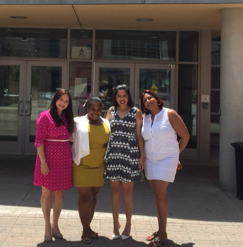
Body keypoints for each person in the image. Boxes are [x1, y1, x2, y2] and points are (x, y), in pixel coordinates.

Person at [140, 90, 190, 247]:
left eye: (151, 98)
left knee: (160, 195)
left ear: (156, 98)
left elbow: (185, 136)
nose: (149, 101)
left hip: (167, 160)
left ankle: (162, 235)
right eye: (145, 100)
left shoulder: (170, 114)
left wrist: (176, 155)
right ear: (144, 105)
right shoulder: (145, 118)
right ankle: (160, 229)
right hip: (150, 161)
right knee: (157, 195)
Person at [104, 84, 144, 241]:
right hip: (113, 155)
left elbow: (139, 136)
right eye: (119, 95)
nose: (122, 98)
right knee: (114, 190)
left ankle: (128, 224)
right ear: (115, 97)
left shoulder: (136, 112)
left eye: (125, 96)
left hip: (130, 155)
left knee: (127, 190)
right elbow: (105, 132)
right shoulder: (111, 111)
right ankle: (115, 225)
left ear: (129, 97)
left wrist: (142, 156)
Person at [33, 89, 74, 242]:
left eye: (66, 101)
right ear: (55, 99)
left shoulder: (67, 117)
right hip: (47, 159)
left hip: (63, 159)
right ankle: (46, 226)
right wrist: (43, 163)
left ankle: (55, 224)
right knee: (46, 193)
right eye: (61, 100)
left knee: (59, 194)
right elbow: (39, 141)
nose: (63, 103)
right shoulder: (44, 116)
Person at [72, 96, 111, 244]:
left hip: (99, 165)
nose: (96, 112)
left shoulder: (106, 123)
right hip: (82, 165)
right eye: (92, 109)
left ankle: (88, 226)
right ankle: (86, 230)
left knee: (94, 196)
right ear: (87, 108)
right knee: (85, 197)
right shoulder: (78, 122)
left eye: (99, 109)